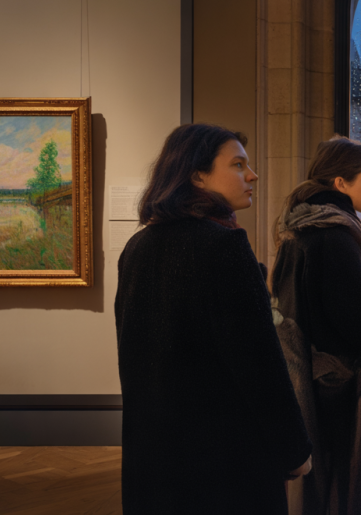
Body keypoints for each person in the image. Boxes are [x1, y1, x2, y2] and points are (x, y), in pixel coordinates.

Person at [115, 123, 312, 515]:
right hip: (224, 464)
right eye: (238, 165)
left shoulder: (137, 246)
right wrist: (294, 450)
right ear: (197, 174)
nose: (252, 175)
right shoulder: (223, 245)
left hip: (155, 460)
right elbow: (260, 364)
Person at [270, 136, 361, 515]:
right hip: (345, 388)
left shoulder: (303, 230)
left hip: (318, 381)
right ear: (340, 183)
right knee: (348, 489)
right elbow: (358, 323)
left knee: (324, 484)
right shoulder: (336, 238)